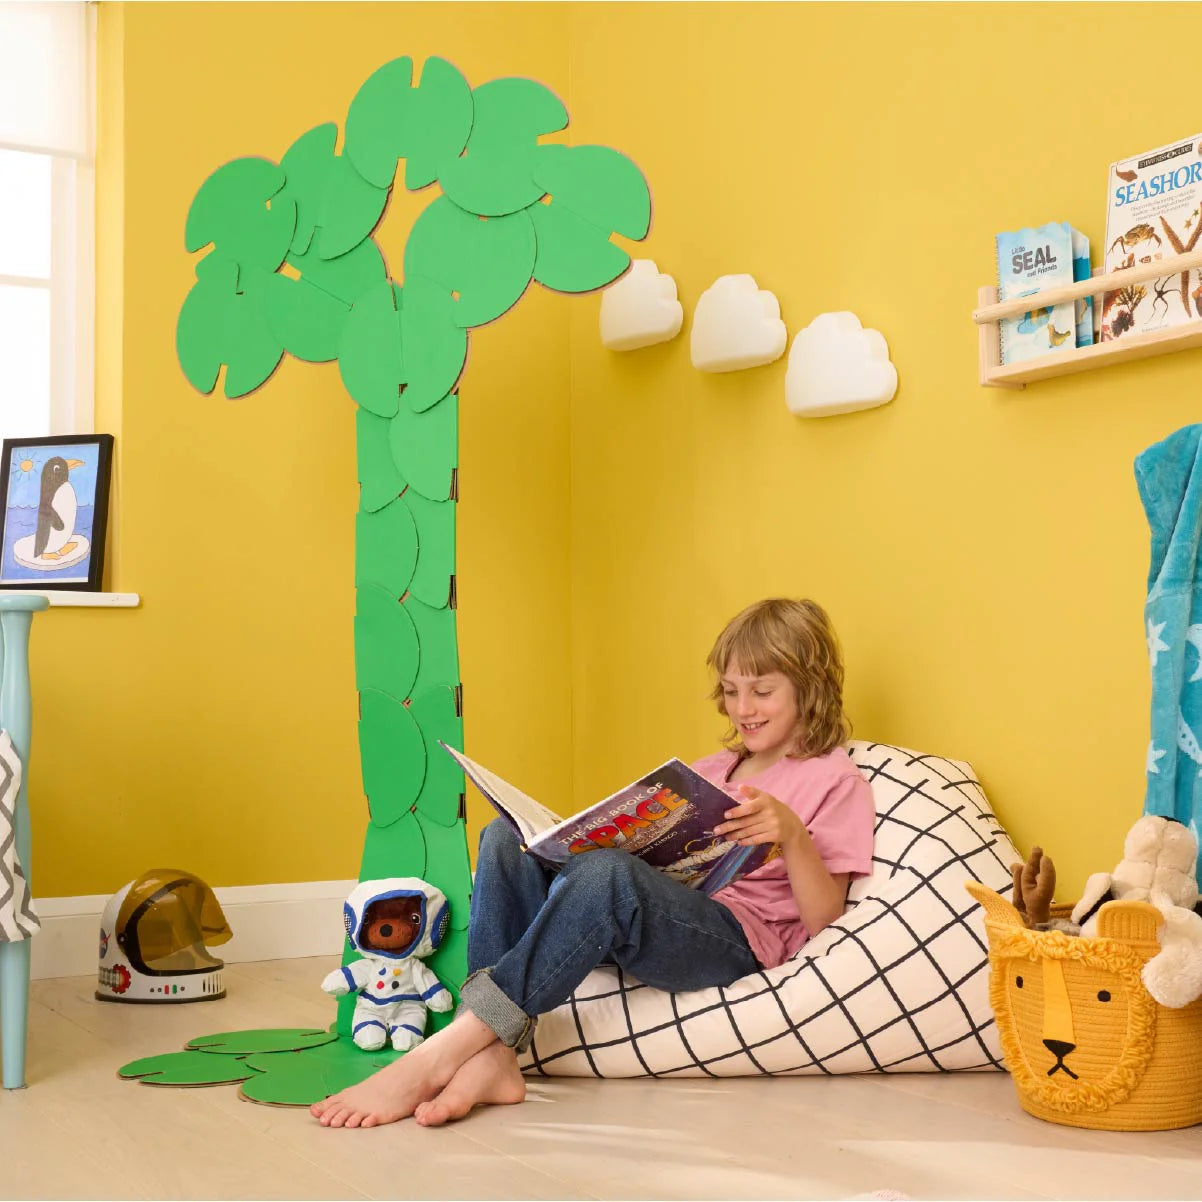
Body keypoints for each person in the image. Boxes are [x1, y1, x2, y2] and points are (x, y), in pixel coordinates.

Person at [311, 597, 875, 1129]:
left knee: (607, 875)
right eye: (730, 691)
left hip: (737, 943)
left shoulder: (834, 778)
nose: (742, 708)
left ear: (809, 687)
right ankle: (494, 1057)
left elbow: (827, 922)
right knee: (506, 838)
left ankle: (456, 1044)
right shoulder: (715, 766)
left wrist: (794, 837)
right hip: (672, 908)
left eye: (762, 691)